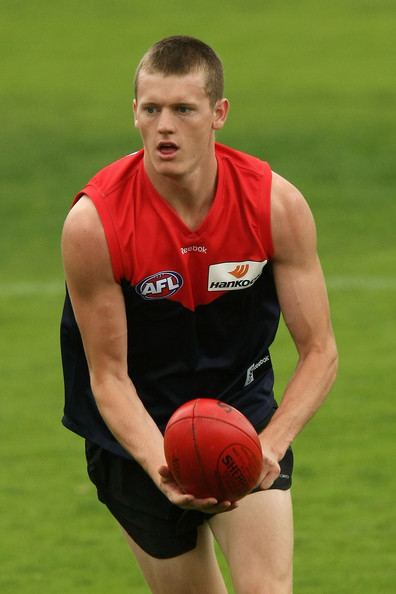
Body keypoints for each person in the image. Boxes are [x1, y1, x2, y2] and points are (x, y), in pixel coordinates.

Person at [60, 35, 338, 594]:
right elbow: (108, 377)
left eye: (183, 109)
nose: (165, 125)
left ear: (218, 114)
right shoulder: (95, 224)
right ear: (134, 113)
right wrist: (162, 462)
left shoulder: (273, 204)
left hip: (240, 411)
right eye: (151, 108)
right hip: (137, 430)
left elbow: (320, 351)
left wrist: (269, 444)